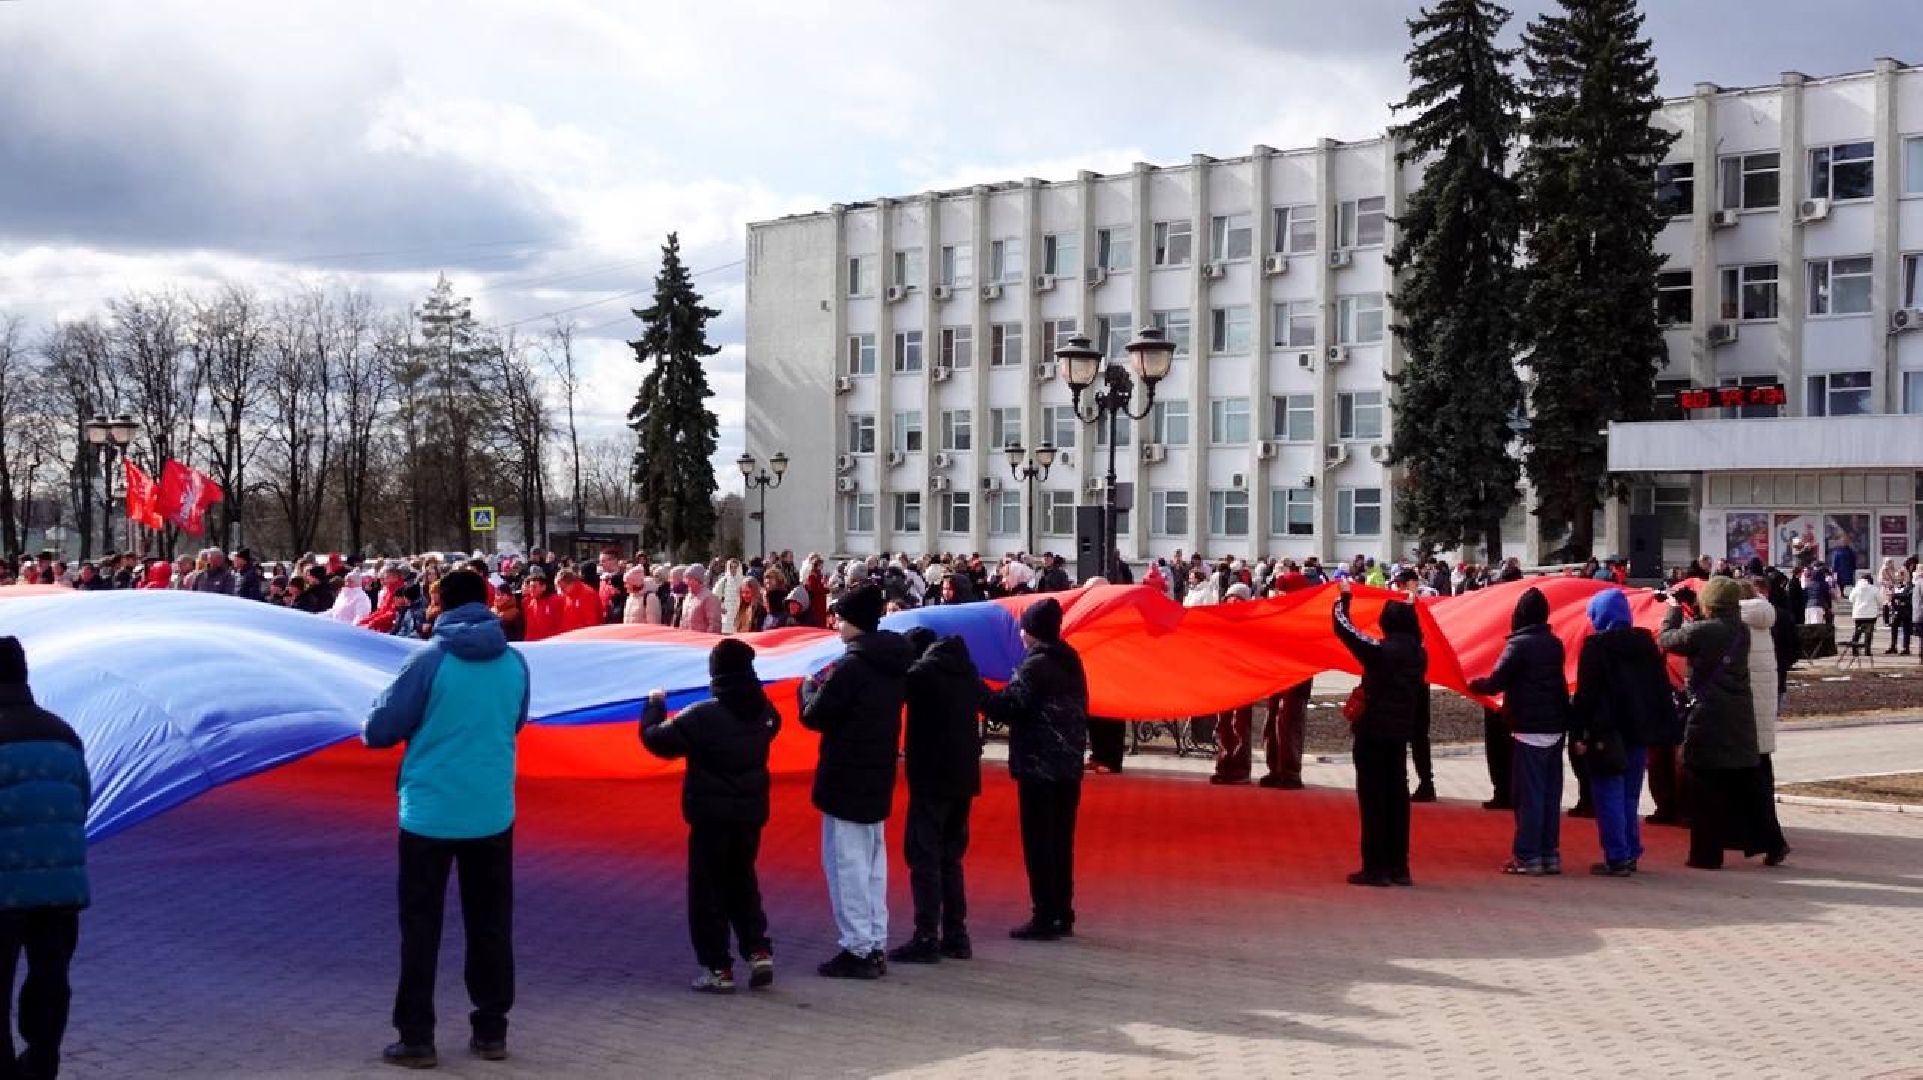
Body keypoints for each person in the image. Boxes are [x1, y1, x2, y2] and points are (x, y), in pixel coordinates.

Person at [361, 570, 530, 1067]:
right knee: (491, 924)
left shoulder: (429, 660)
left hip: (429, 814)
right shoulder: (515, 662)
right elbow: (516, 721)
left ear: (443, 606)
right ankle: (491, 1031)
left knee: (421, 927)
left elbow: (379, 730)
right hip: (491, 811)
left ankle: (416, 1037)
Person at [639, 639, 781, 994]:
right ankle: (758, 949)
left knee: (708, 890)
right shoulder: (765, 711)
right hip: (750, 814)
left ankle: (718, 967)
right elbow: (773, 726)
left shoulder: (704, 716)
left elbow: (656, 740)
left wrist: (654, 705)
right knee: (743, 880)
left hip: (711, 816)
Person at [798, 584, 910, 979]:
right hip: (876, 774)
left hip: (846, 775)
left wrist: (807, 688)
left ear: (854, 622)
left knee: (846, 865)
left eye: (840, 618)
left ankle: (858, 948)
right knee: (873, 864)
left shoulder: (851, 667)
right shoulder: (893, 663)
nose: (835, 624)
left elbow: (815, 715)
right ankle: (873, 941)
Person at [0, 638, 91, 1080]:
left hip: (5, 888)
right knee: (50, 981)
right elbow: (81, 801)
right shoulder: (62, 732)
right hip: (60, 888)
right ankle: (41, 1065)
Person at [982, 598, 1090, 938]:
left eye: (1024, 628)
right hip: (1067, 765)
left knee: (1039, 842)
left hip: (1039, 767)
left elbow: (1008, 706)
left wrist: (977, 688)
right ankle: (1062, 912)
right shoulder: (1071, 660)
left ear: (1033, 631)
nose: (1020, 634)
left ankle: (1045, 915)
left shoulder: (1035, 666)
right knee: (1061, 840)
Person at [887, 628, 985, 965]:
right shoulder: (966, 670)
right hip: (964, 777)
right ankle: (956, 936)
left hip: (931, 778)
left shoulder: (922, 674)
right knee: (951, 857)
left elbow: (890, 693)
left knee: (924, 856)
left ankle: (926, 936)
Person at [1658, 576, 1761, 871]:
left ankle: (1705, 855)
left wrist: (1673, 609)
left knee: (1703, 790)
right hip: (1737, 716)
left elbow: (1667, 639)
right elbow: (1708, 636)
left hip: (1707, 718)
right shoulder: (1741, 630)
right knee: (1725, 786)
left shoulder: (1705, 631)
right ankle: (1731, 842)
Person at [1469, 587, 1571, 877]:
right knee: (1550, 794)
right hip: (1555, 726)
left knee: (1529, 796)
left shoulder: (1519, 645)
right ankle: (1549, 853)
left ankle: (1527, 856)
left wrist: (1473, 684)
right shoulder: (1554, 644)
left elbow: (1496, 682)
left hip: (1529, 729)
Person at [1569, 589, 1672, 876]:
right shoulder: (1645, 644)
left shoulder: (1596, 647)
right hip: (1639, 731)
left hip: (1607, 734)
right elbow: (1658, 689)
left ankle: (1617, 856)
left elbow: (1587, 695)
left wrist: (1578, 731)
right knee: (1630, 794)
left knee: (1608, 794)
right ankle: (1631, 850)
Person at [1330, 579, 1425, 887]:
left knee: (1373, 800)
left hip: (1373, 733)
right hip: (1400, 733)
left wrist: (1343, 599)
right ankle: (1399, 866)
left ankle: (1375, 868)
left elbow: (1344, 629)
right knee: (1397, 798)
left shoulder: (1382, 651)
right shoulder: (1419, 653)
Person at [1739, 580, 1791, 866]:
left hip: (1745, 714)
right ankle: (1769, 840)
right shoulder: (1770, 618)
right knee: (1761, 779)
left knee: (1750, 784)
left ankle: (1770, 840)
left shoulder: (1738, 624)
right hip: (1764, 706)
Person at [1846, 571, 1886, 656]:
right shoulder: (1874, 589)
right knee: (1868, 633)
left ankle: (1854, 650)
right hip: (1870, 615)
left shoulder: (1856, 589)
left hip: (1858, 614)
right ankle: (1867, 651)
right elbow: (1880, 600)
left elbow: (1850, 599)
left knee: (1857, 632)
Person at [680, 565, 723, 634]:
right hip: (686, 638)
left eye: (690, 579)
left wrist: (707, 639)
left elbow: (714, 625)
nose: (686, 582)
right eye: (686, 579)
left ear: (698, 580)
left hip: (700, 639)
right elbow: (683, 620)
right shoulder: (688, 596)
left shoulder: (710, 598)